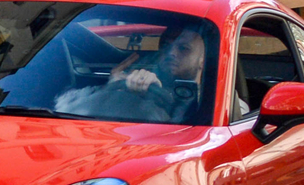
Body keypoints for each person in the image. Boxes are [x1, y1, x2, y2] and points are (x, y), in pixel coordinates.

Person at [54, 22, 209, 122]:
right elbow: (73, 112)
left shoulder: (211, 99)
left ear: (203, 59)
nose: (171, 53)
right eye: (165, 46)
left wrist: (162, 98)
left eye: (183, 48)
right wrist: (111, 88)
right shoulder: (136, 80)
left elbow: (185, 130)